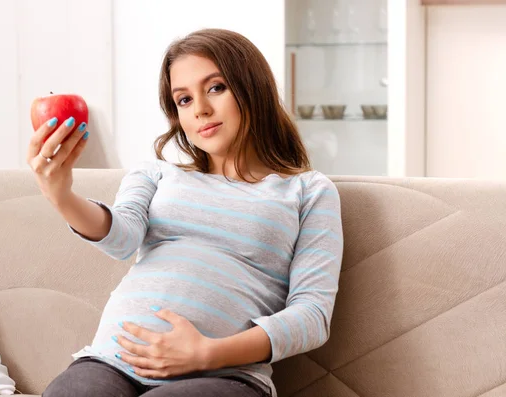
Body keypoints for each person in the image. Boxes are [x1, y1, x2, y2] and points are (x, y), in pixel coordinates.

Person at [27, 28, 343, 397]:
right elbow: (122, 238)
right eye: (184, 99)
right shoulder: (157, 173)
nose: (201, 110)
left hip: (223, 376)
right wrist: (61, 196)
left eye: (216, 88)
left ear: (253, 87)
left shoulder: (307, 191)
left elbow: (312, 315)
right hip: (110, 363)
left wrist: (208, 353)